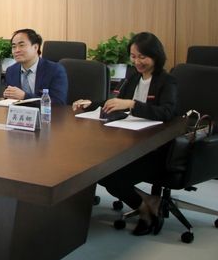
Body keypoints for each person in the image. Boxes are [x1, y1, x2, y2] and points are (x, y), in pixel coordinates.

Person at [73, 32, 177, 236]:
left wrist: (132, 104)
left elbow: (167, 112)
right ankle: (148, 203)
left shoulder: (167, 81)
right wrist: (91, 104)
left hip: (155, 149)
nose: (137, 62)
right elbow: (115, 102)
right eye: (133, 56)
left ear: (155, 56)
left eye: (142, 57)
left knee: (113, 177)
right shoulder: (133, 78)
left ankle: (146, 210)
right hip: (129, 144)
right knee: (101, 172)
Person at [3, 28, 68, 105]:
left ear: (35, 47)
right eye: (14, 47)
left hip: (46, 112)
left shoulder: (55, 70)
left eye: (21, 45)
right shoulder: (11, 71)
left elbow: (58, 103)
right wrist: (8, 95)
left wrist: (25, 96)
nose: (17, 50)